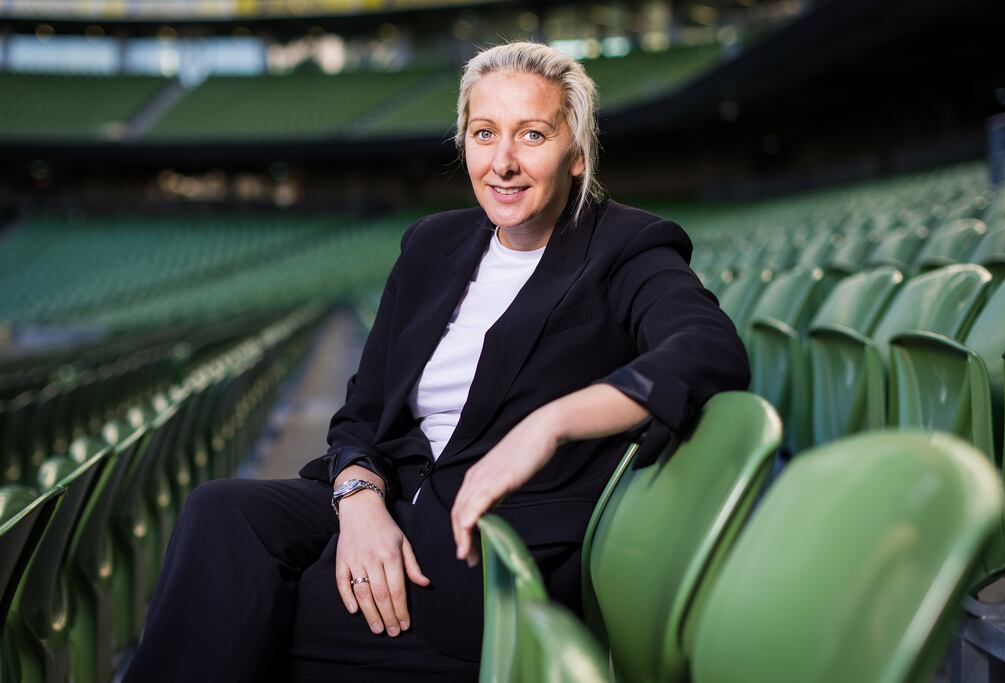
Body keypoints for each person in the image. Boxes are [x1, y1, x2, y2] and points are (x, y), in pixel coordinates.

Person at [125, 41, 749, 682]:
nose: (503, 162)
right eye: (484, 134)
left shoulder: (627, 246)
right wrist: (358, 498)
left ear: (577, 154)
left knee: (245, 615)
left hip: (484, 551)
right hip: (389, 499)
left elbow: (708, 352)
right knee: (219, 511)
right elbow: (362, 413)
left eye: (532, 135)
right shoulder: (431, 244)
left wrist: (551, 423)